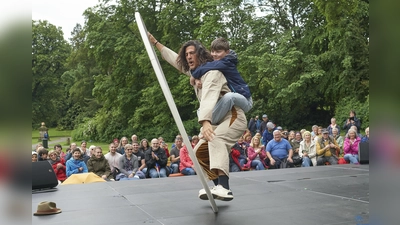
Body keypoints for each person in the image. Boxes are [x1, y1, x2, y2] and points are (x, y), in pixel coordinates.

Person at [148, 34, 247, 201]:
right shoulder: (196, 72)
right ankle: (216, 186)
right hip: (215, 119)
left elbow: (209, 96)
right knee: (199, 152)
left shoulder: (213, 71)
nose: (188, 57)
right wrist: (155, 43)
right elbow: (174, 60)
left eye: (191, 53)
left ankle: (225, 187)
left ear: (200, 54)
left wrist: (205, 122)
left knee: (216, 139)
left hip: (232, 115)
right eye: (186, 55)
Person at [190, 37, 252, 125]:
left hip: (246, 100)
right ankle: (210, 120)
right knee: (200, 109)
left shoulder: (226, 62)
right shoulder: (218, 61)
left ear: (227, 52)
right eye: (212, 51)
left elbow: (204, 67)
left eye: (218, 52)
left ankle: (210, 121)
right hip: (233, 99)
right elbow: (199, 66)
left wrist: (193, 76)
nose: (214, 54)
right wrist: (196, 79)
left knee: (229, 96)